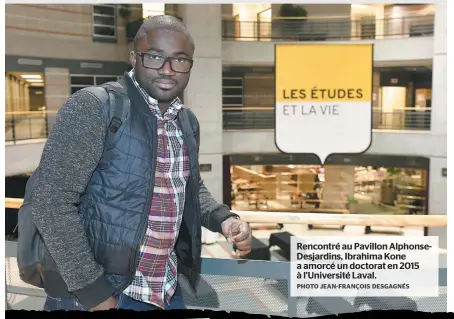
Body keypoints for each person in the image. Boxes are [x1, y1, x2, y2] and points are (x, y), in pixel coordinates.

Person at [31, 15, 252, 312]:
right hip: (99, 295)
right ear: (134, 58)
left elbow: (187, 187)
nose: (167, 69)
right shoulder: (95, 107)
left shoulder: (186, 121)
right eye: (155, 57)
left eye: (180, 60)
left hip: (165, 289)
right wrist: (94, 293)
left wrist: (224, 219)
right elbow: (51, 202)